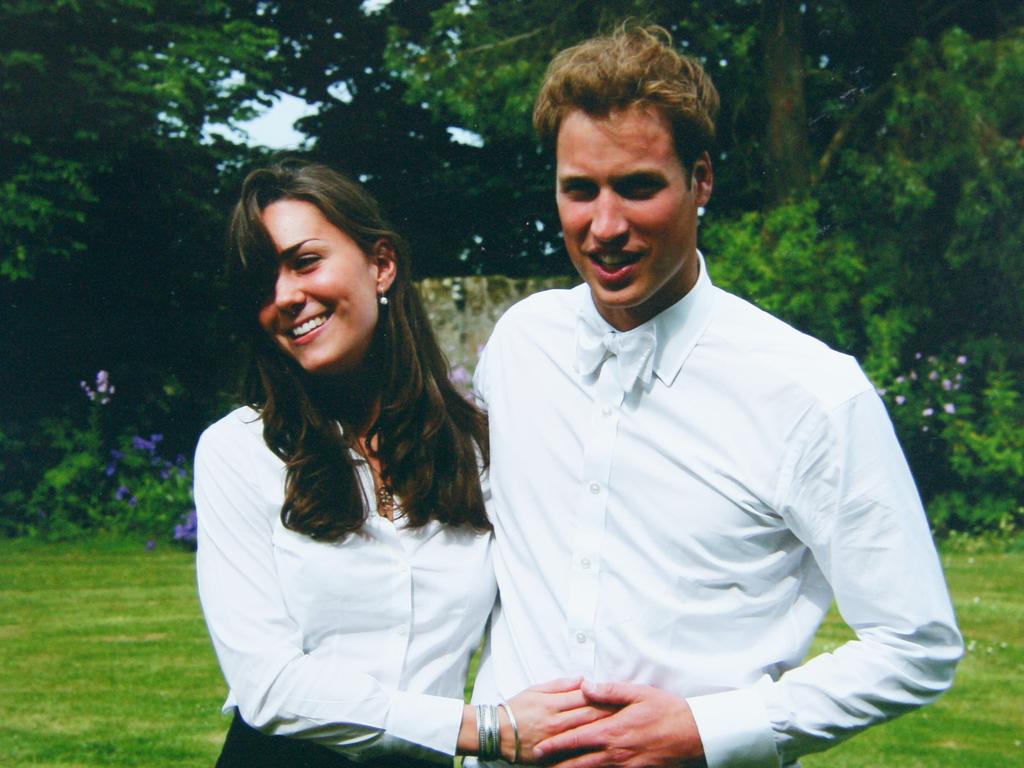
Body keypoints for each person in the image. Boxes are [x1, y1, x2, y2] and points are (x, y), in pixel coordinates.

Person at [470, 26, 963, 768]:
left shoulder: (811, 393)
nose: (605, 226)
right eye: (580, 190)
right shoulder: (519, 345)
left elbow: (917, 643)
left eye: (638, 186)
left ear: (700, 179)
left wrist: (708, 730)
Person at [194, 161, 604, 767]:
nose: (284, 296)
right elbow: (268, 685)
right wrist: (481, 729)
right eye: (263, 283)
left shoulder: (477, 450)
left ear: (381, 264)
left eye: (305, 262)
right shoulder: (239, 451)